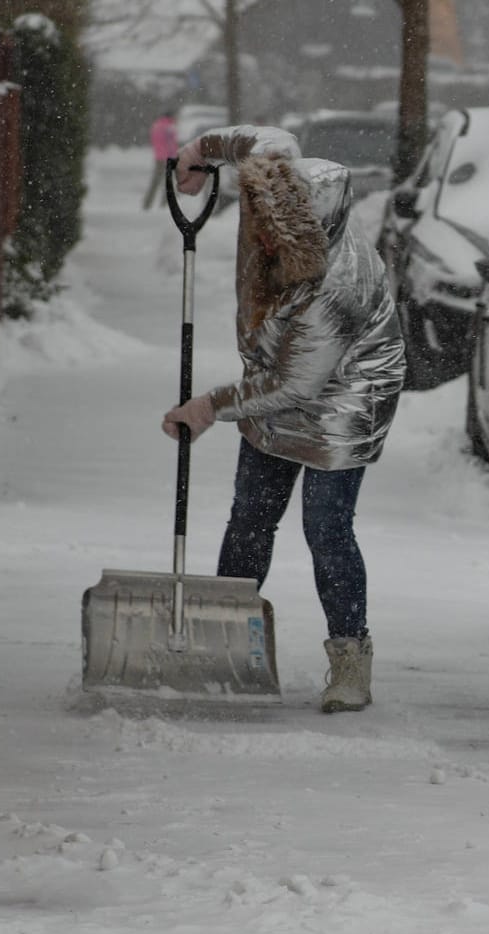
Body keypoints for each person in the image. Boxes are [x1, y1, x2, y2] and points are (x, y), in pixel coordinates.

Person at [161, 126, 406, 712]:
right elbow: (266, 136)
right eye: (259, 225)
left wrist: (210, 407)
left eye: (276, 236)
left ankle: (351, 661)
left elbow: (298, 384)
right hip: (277, 375)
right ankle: (219, 637)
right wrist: (196, 153)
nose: (262, 242)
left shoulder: (339, 285)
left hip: (348, 391)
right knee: (250, 516)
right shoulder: (267, 187)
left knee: (325, 527)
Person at [144, 111, 179, 209]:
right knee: (168, 183)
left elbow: (154, 141)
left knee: (155, 182)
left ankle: (147, 203)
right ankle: (165, 204)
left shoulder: (156, 126)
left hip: (158, 157)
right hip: (168, 158)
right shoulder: (169, 128)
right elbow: (171, 144)